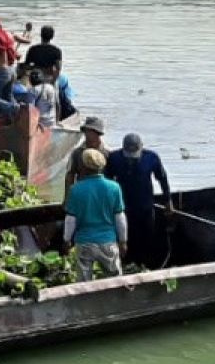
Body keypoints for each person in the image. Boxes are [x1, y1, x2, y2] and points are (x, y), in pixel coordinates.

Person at [105, 134, 173, 270]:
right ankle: (126, 266)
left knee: (146, 239)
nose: (131, 158)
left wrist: (168, 200)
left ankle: (144, 266)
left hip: (145, 207)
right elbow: (107, 181)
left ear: (141, 148)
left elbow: (162, 178)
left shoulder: (151, 158)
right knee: (125, 239)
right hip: (123, 208)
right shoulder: (114, 158)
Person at [63, 149, 128, 281]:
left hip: (84, 243)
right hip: (108, 242)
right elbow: (120, 218)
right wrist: (123, 241)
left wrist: (67, 240)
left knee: (84, 284)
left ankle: (85, 302)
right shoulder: (114, 187)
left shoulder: (76, 189)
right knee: (114, 281)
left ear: (83, 166)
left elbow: (70, 220)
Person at [65, 117, 110, 195]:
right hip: (82, 192)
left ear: (98, 133)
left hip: (101, 193)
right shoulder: (77, 153)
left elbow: (111, 177)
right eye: (86, 131)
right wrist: (68, 196)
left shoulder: (107, 153)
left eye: (90, 131)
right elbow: (70, 174)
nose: (87, 134)